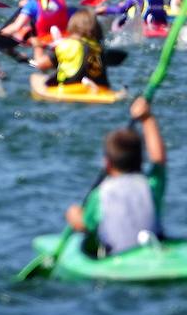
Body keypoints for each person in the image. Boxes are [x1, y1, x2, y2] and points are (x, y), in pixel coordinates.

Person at [65, 97, 166, 255]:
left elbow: (84, 225)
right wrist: (148, 119)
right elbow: (159, 160)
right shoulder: (151, 185)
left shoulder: (99, 195)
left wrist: (73, 215)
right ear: (141, 159)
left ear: (107, 164)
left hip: (117, 259)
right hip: (153, 251)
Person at [35, 8, 111, 88]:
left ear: (72, 26)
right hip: (101, 88)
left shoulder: (66, 45)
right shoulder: (99, 47)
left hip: (69, 87)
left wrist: (38, 46)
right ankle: (87, 82)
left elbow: (41, 64)